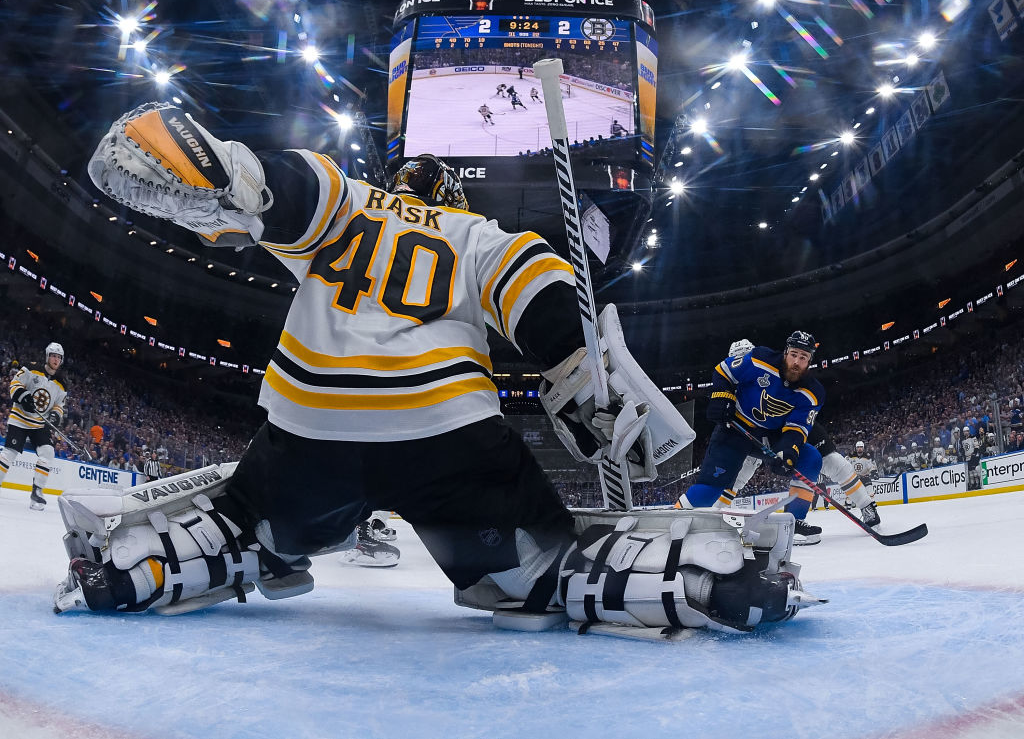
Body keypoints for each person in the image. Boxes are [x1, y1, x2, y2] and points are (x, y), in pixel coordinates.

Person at [53, 102, 818, 635]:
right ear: (450, 195)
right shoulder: (476, 232)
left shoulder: (351, 203)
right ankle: (710, 580)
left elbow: (277, 191)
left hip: (311, 429)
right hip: (444, 433)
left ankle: (136, 570)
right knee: (544, 570)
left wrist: (226, 174)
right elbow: (542, 293)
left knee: (253, 526)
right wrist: (583, 375)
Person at [696, 340, 880, 531]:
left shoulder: (766, 367)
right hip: (751, 431)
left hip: (789, 427)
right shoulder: (737, 376)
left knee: (832, 462)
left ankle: (864, 505)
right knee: (736, 475)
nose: (740, 362)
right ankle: (711, 517)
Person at [676, 331, 827, 544]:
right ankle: (672, 520)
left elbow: (797, 427)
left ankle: (793, 524)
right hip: (734, 429)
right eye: (794, 354)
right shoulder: (759, 358)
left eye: (803, 357)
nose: (796, 362)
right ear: (785, 352)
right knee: (711, 488)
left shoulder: (813, 392)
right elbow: (723, 371)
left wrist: (788, 450)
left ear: (809, 361)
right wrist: (722, 397)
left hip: (769, 436)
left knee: (811, 459)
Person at [0, 342, 68, 510]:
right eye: (53, 356)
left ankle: (37, 492)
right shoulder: (31, 368)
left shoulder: (62, 383)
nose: (55, 359)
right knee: (9, 453)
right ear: (47, 356)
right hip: (20, 419)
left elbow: (59, 405)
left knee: (48, 452)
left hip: (38, 423)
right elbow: (15, 384)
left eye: (59, 357)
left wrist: (55, 415)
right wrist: (23, 396)